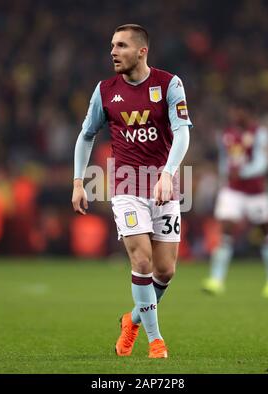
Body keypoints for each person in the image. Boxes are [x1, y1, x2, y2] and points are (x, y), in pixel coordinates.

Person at [72, 24, 192, 358]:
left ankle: (133, 319)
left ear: (142, 51)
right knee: (141, 260)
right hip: (126, 188)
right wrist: (79, 182)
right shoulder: (105, 90)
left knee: (165, 270)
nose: (113, 51)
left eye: (121, 46)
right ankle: (156, 341)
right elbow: (86, 135)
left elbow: (182, 132)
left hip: (163, 188)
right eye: (112, 45)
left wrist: (168, 174)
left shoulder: (169, 84)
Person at [202, 98, 268, 298]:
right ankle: (216, 280)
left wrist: (242, 172)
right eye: (233, 111)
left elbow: (262, 163)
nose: (234, 116)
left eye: (238, 111)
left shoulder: (259, 133)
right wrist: (225, 176)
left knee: (265, 232)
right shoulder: (227, 134)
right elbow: (224, 160)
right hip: (232, 191)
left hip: (255, 193)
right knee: (226, 230)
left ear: (248, 112)